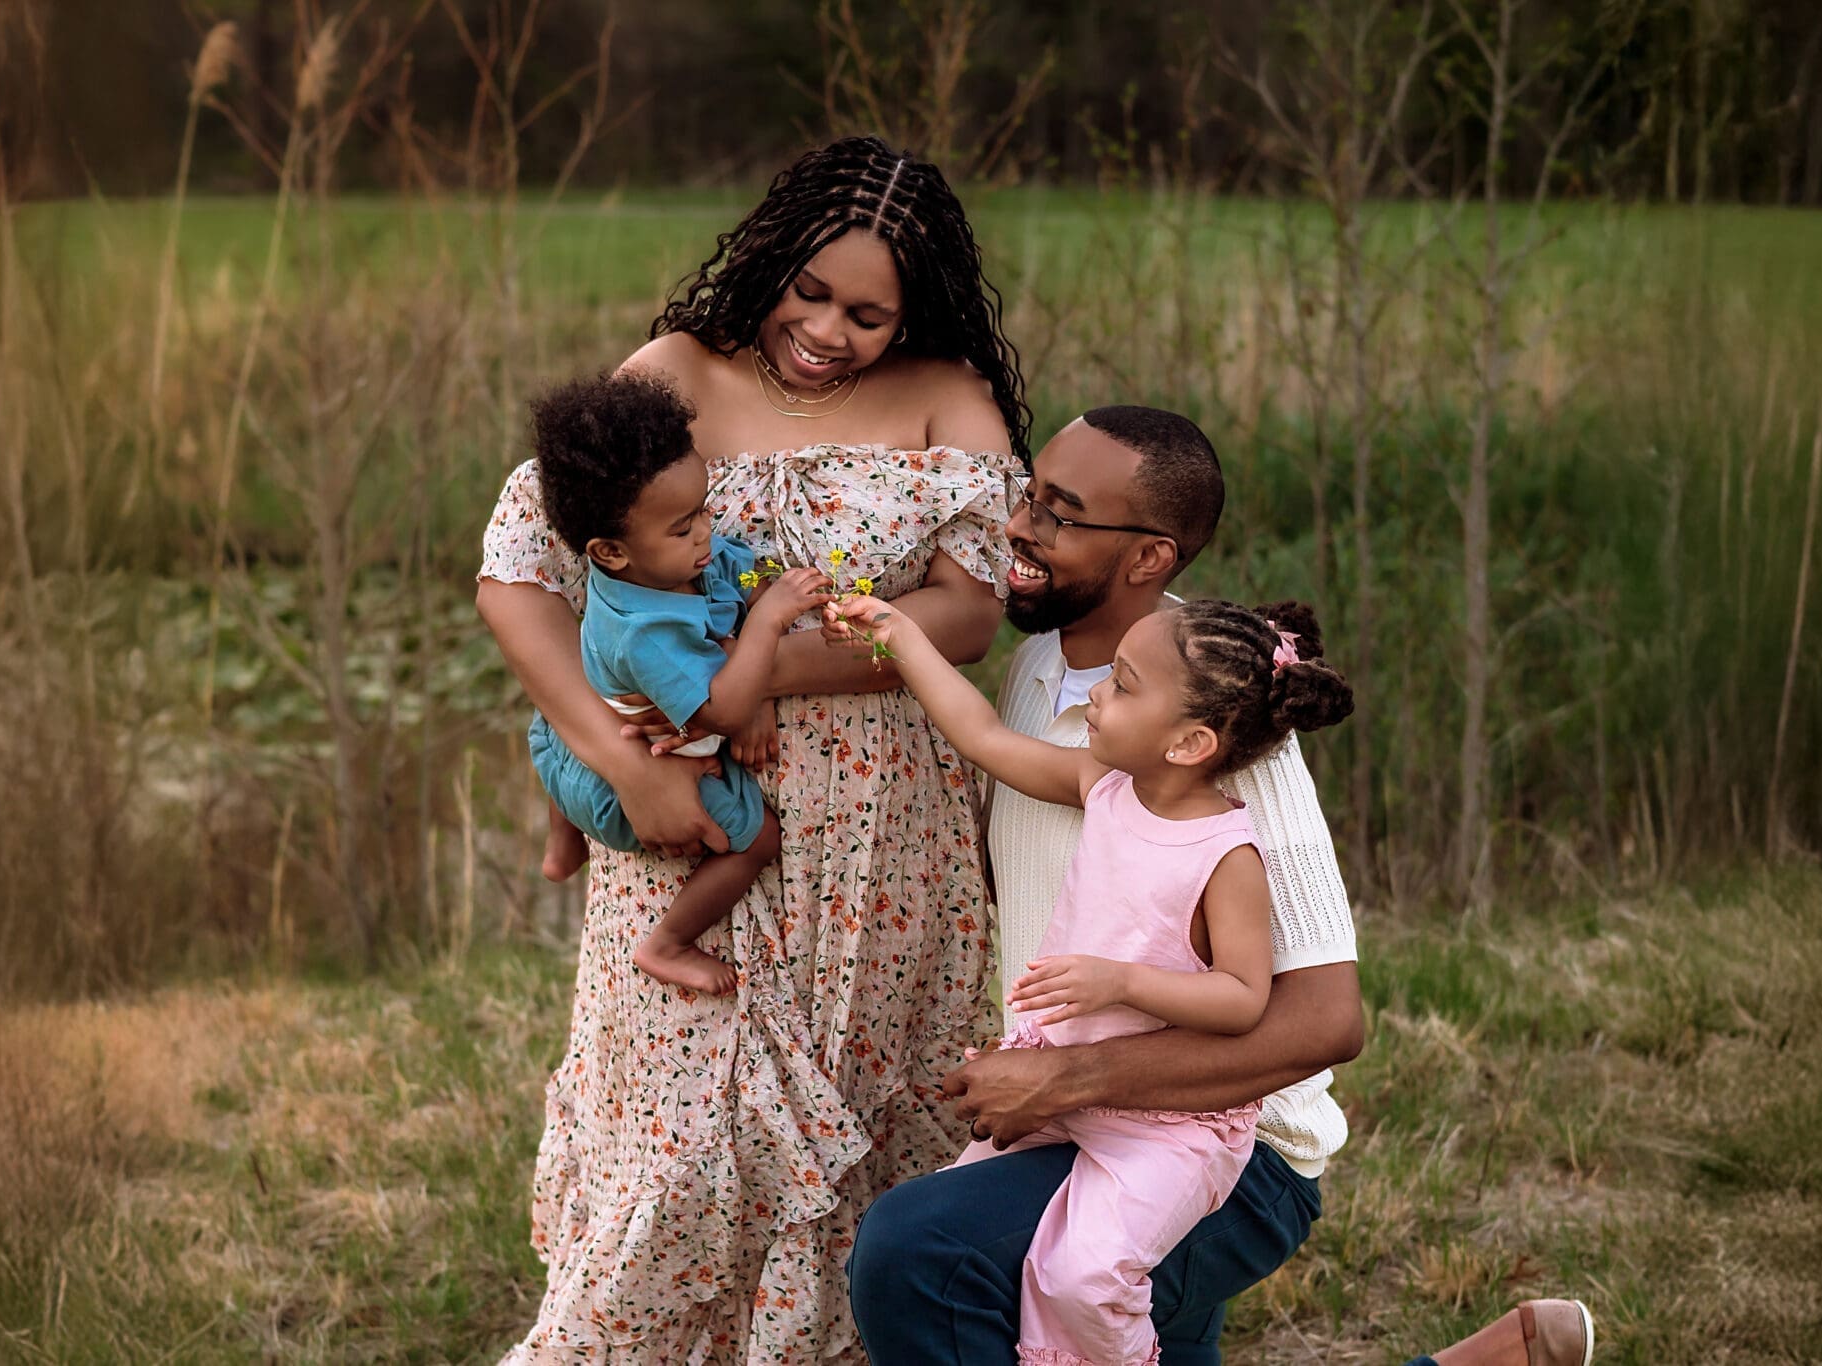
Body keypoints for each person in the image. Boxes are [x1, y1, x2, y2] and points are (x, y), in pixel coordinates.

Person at [845, 407, 1595, 1366]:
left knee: (919, 1253)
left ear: (1151, 557)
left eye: (1059, 515)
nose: (1020, 525)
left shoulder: (1214, 724)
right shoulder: (1039, 671)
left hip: (1224, 1153)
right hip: (1082, 1124)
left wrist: (1062, 1075)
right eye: (1029, 495)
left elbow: (1327, 1021)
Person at [477, 134, 1026, 1361]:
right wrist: (616, 762)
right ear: (770, 259)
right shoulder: (670, 374)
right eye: (811, 291)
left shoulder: (950, 399)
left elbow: (968, 612)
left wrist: (754, 671)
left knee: (860, 1157)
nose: (828, 330)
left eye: (868, 314)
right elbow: (520, 573)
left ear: (915, 313)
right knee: (679, 1148)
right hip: (689, 824)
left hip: (883, 844)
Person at [828, 584, 1352, 1365]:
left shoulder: (1226, 853)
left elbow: (1244, 1000)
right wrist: (899, 634)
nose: (1096, 694)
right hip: (1066, 1098)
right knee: (945, 1227)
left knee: (1078, 1280)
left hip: (1168, 1127)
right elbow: (979, 734)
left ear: (1189, 744)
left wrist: (1124, 983)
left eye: (1123, 685)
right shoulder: (1101, 790)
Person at [524, 371, 832, 995]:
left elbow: (749, 574)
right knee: (757, 842)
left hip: (565, 741)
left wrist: (762, 592)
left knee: (554, 722)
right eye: (682, 526)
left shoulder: (677, 563)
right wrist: (766, 628)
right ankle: (667, 942)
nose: (705, 534)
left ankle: (561, 841)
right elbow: (722, 710)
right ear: (610, 552)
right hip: (632, 784)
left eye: (704, 511)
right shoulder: (646, 632)